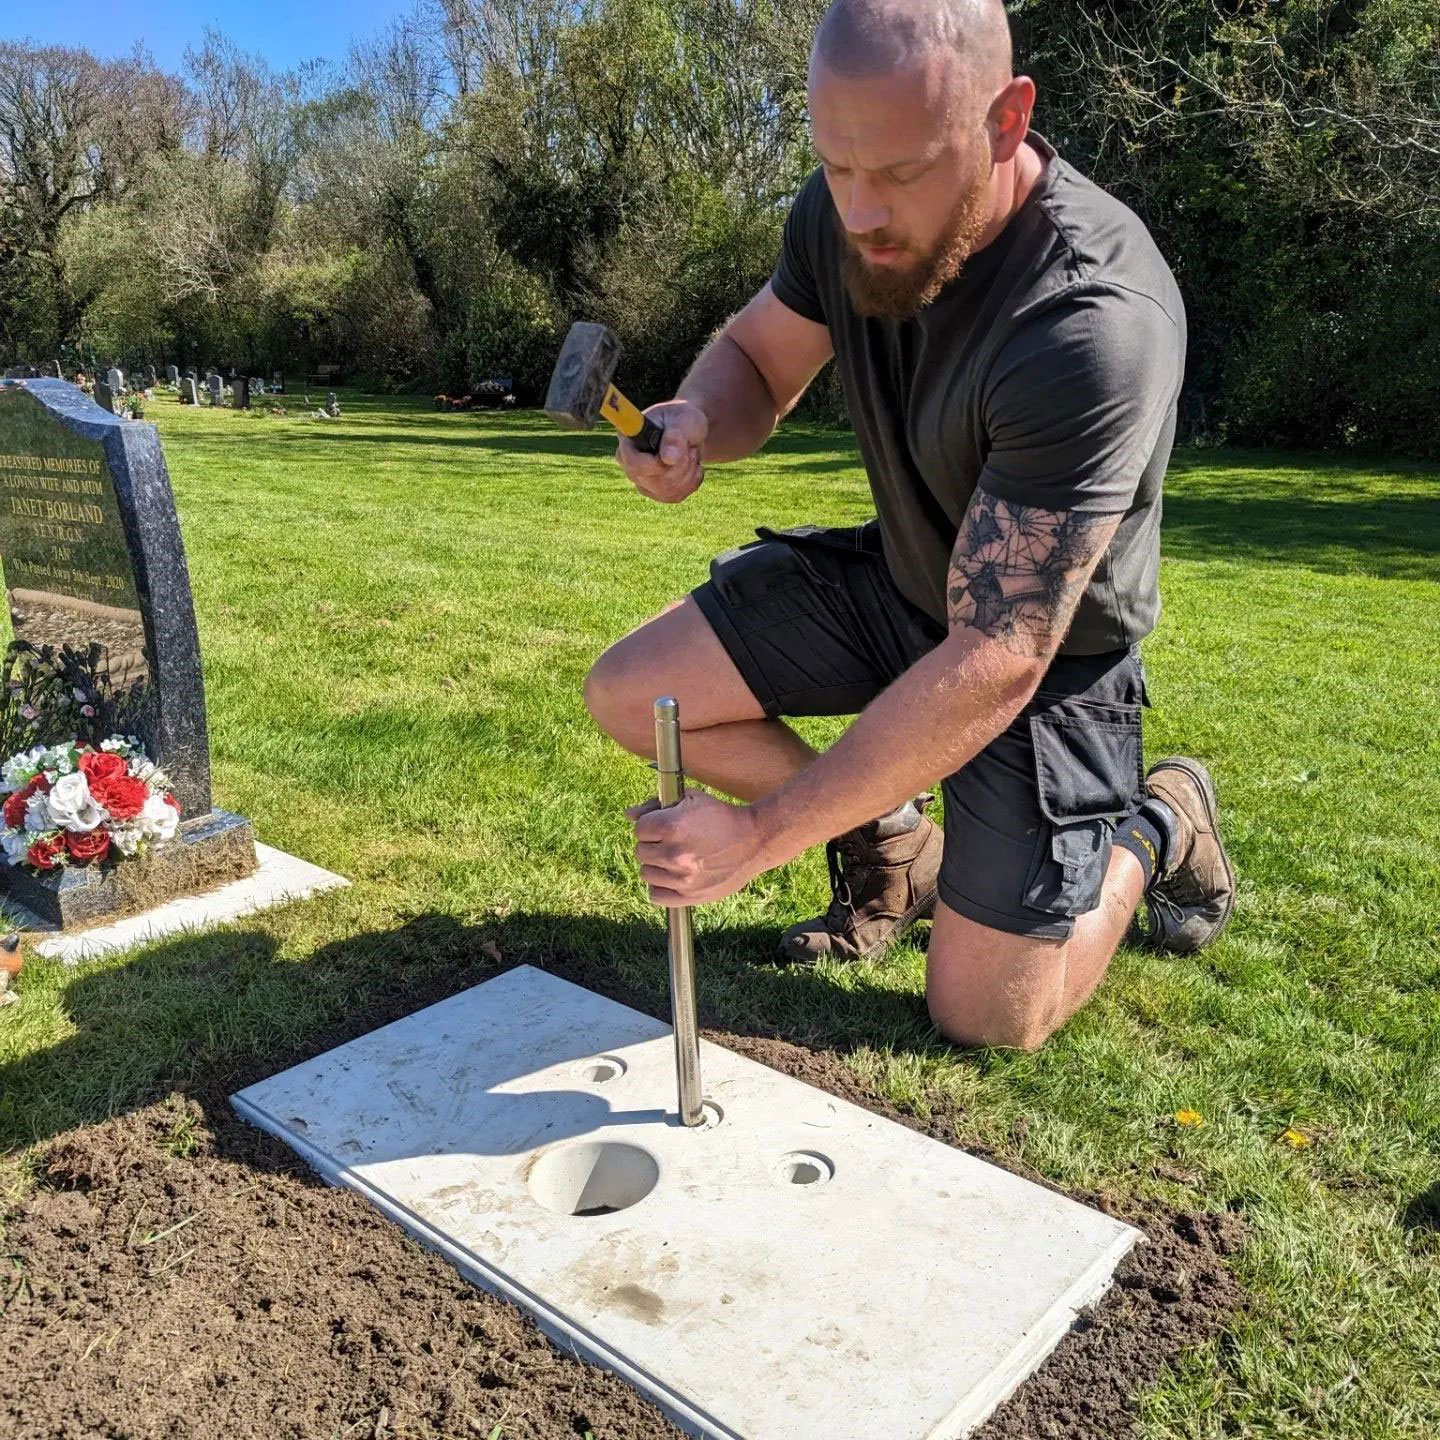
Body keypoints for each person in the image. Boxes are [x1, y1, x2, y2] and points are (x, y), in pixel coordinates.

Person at [583, 0, 1235, 1051]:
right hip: (901, 585)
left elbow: (1001, 656)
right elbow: (756, 359)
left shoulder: (1092, 320)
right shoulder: (840, 211)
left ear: (1006, 121)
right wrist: (701, 416)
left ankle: (1159, 822)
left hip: (1045, 663)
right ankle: (896, 843)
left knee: (986, 1019)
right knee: (629, 688)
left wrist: (758, 837)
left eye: (899, 173)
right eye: (836, 166)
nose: (861, 212)